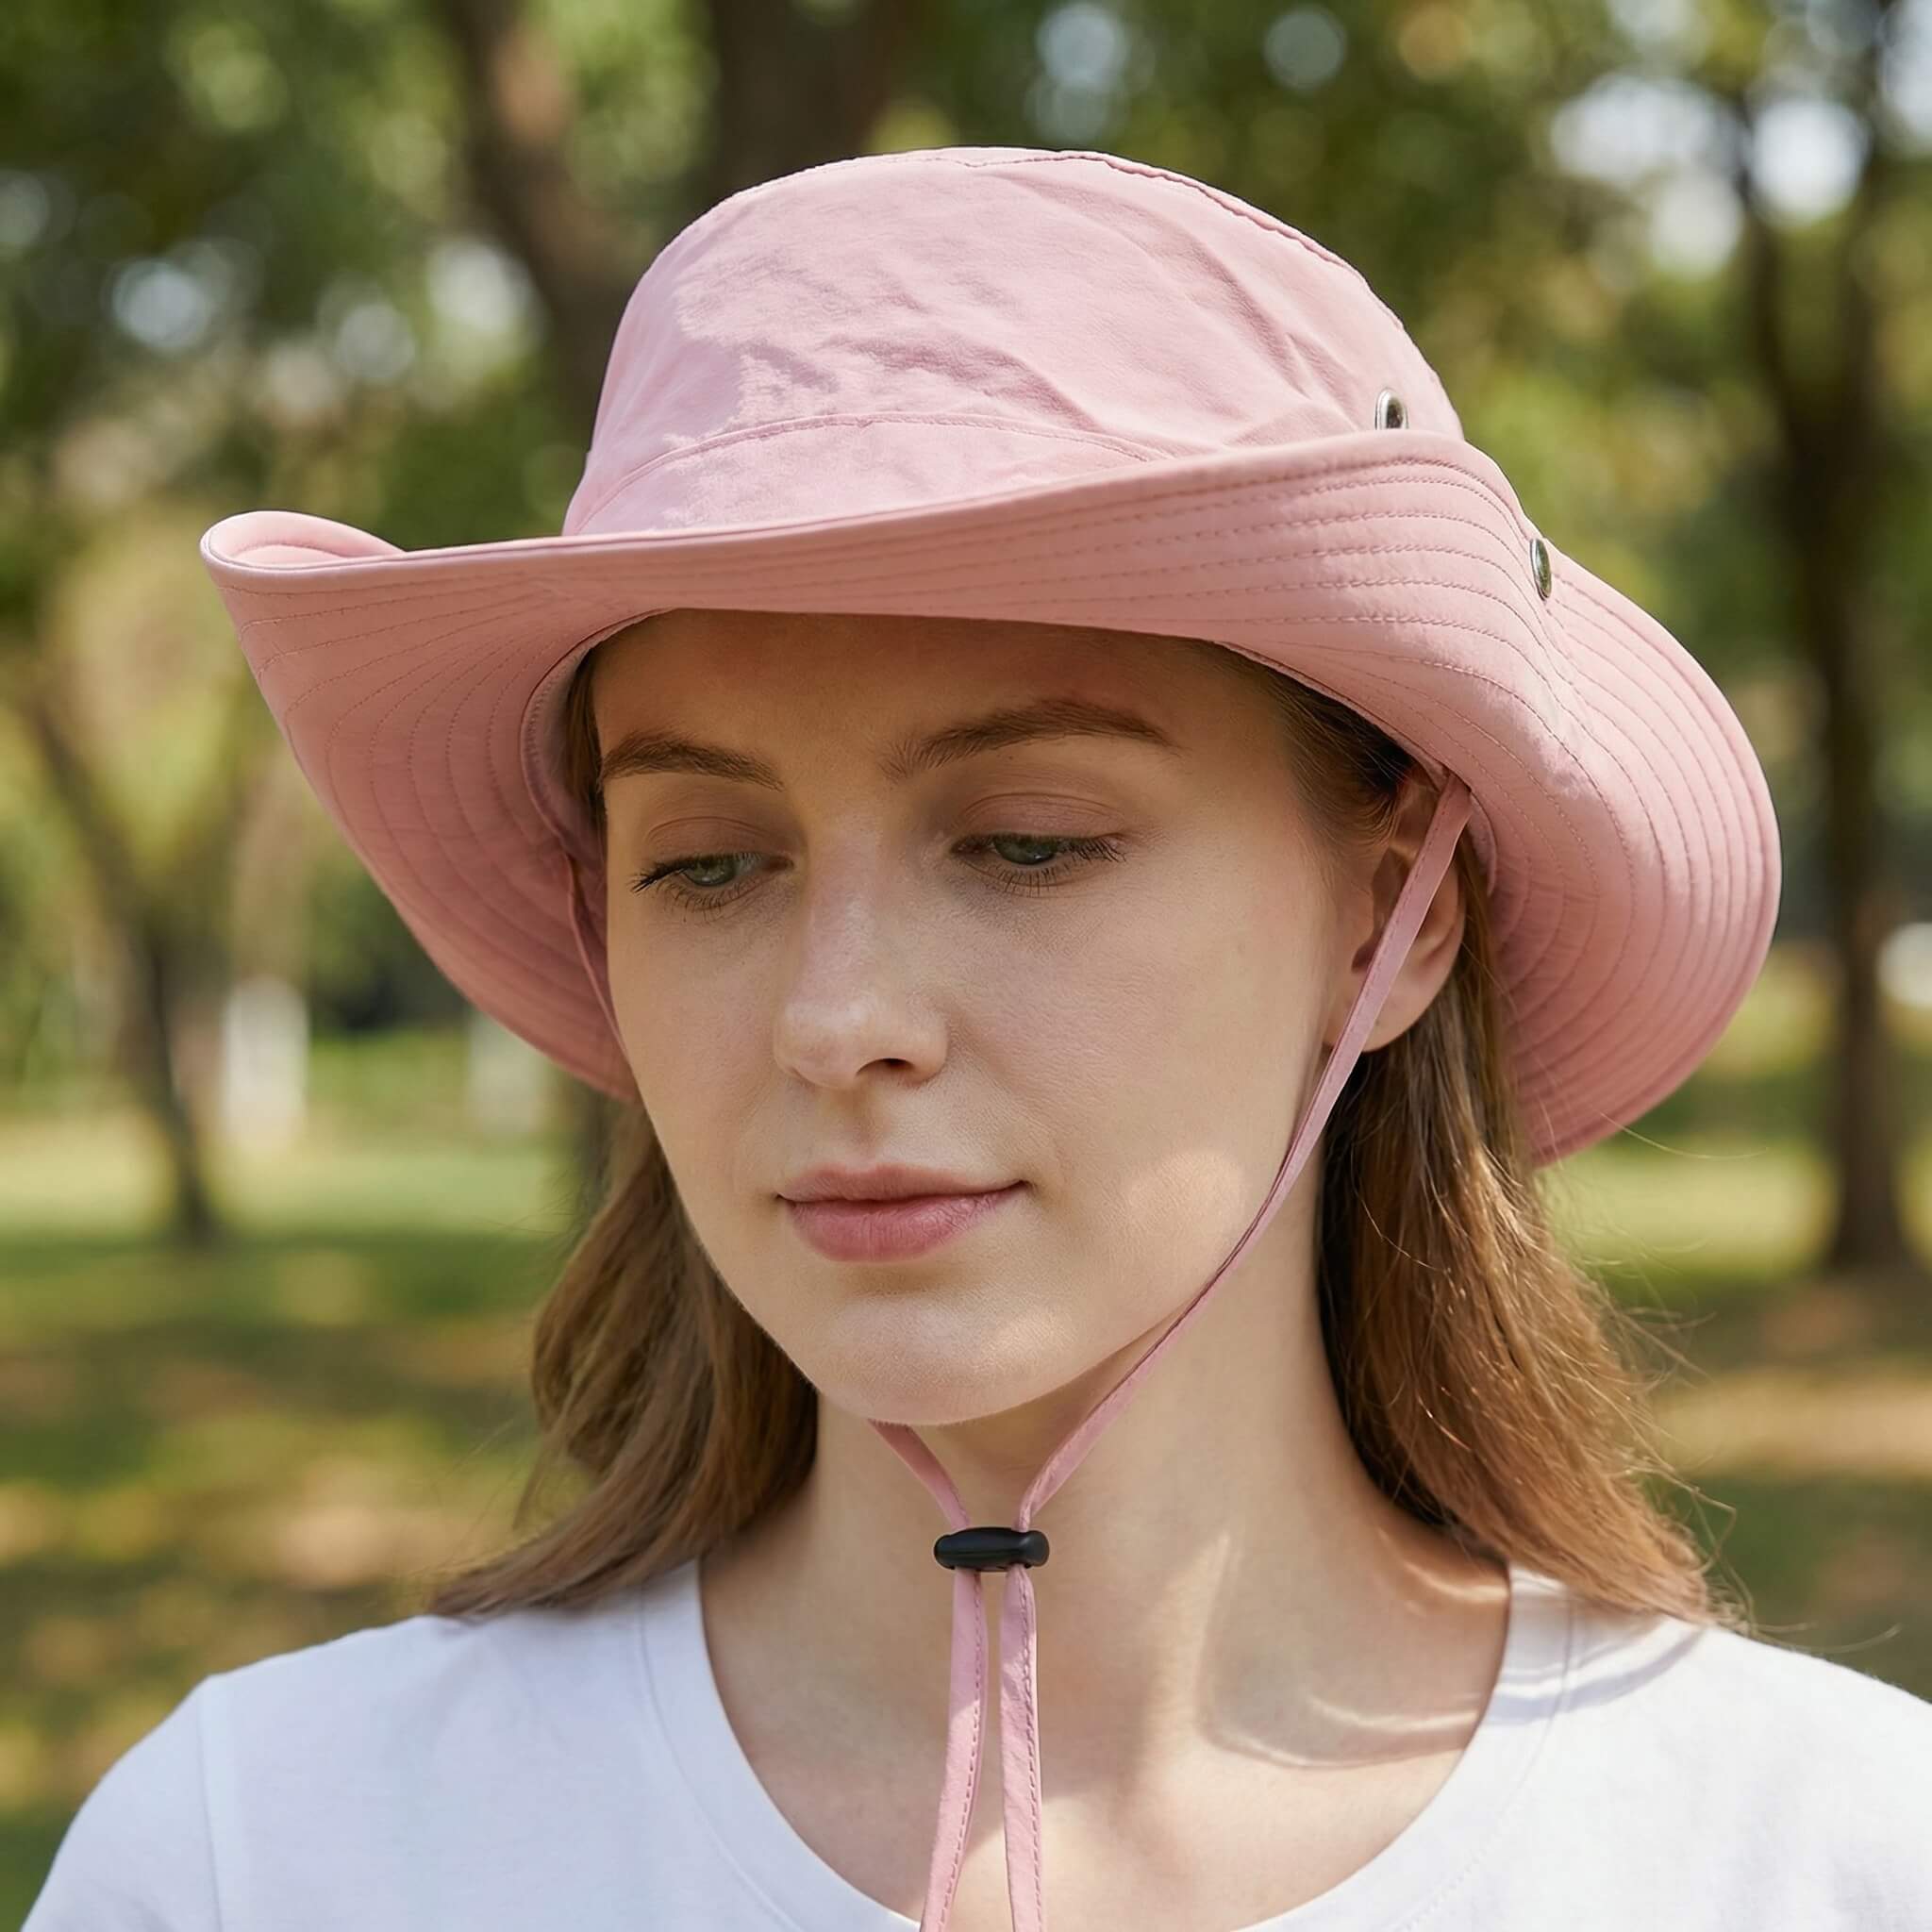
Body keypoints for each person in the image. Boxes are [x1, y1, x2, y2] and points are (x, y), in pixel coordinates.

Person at [25, 145, 1932, 1931]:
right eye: (705, 861)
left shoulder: (1819, 1861)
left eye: (1027, 840)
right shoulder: (266, 1860)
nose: (838, 1019)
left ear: (1395, 913)